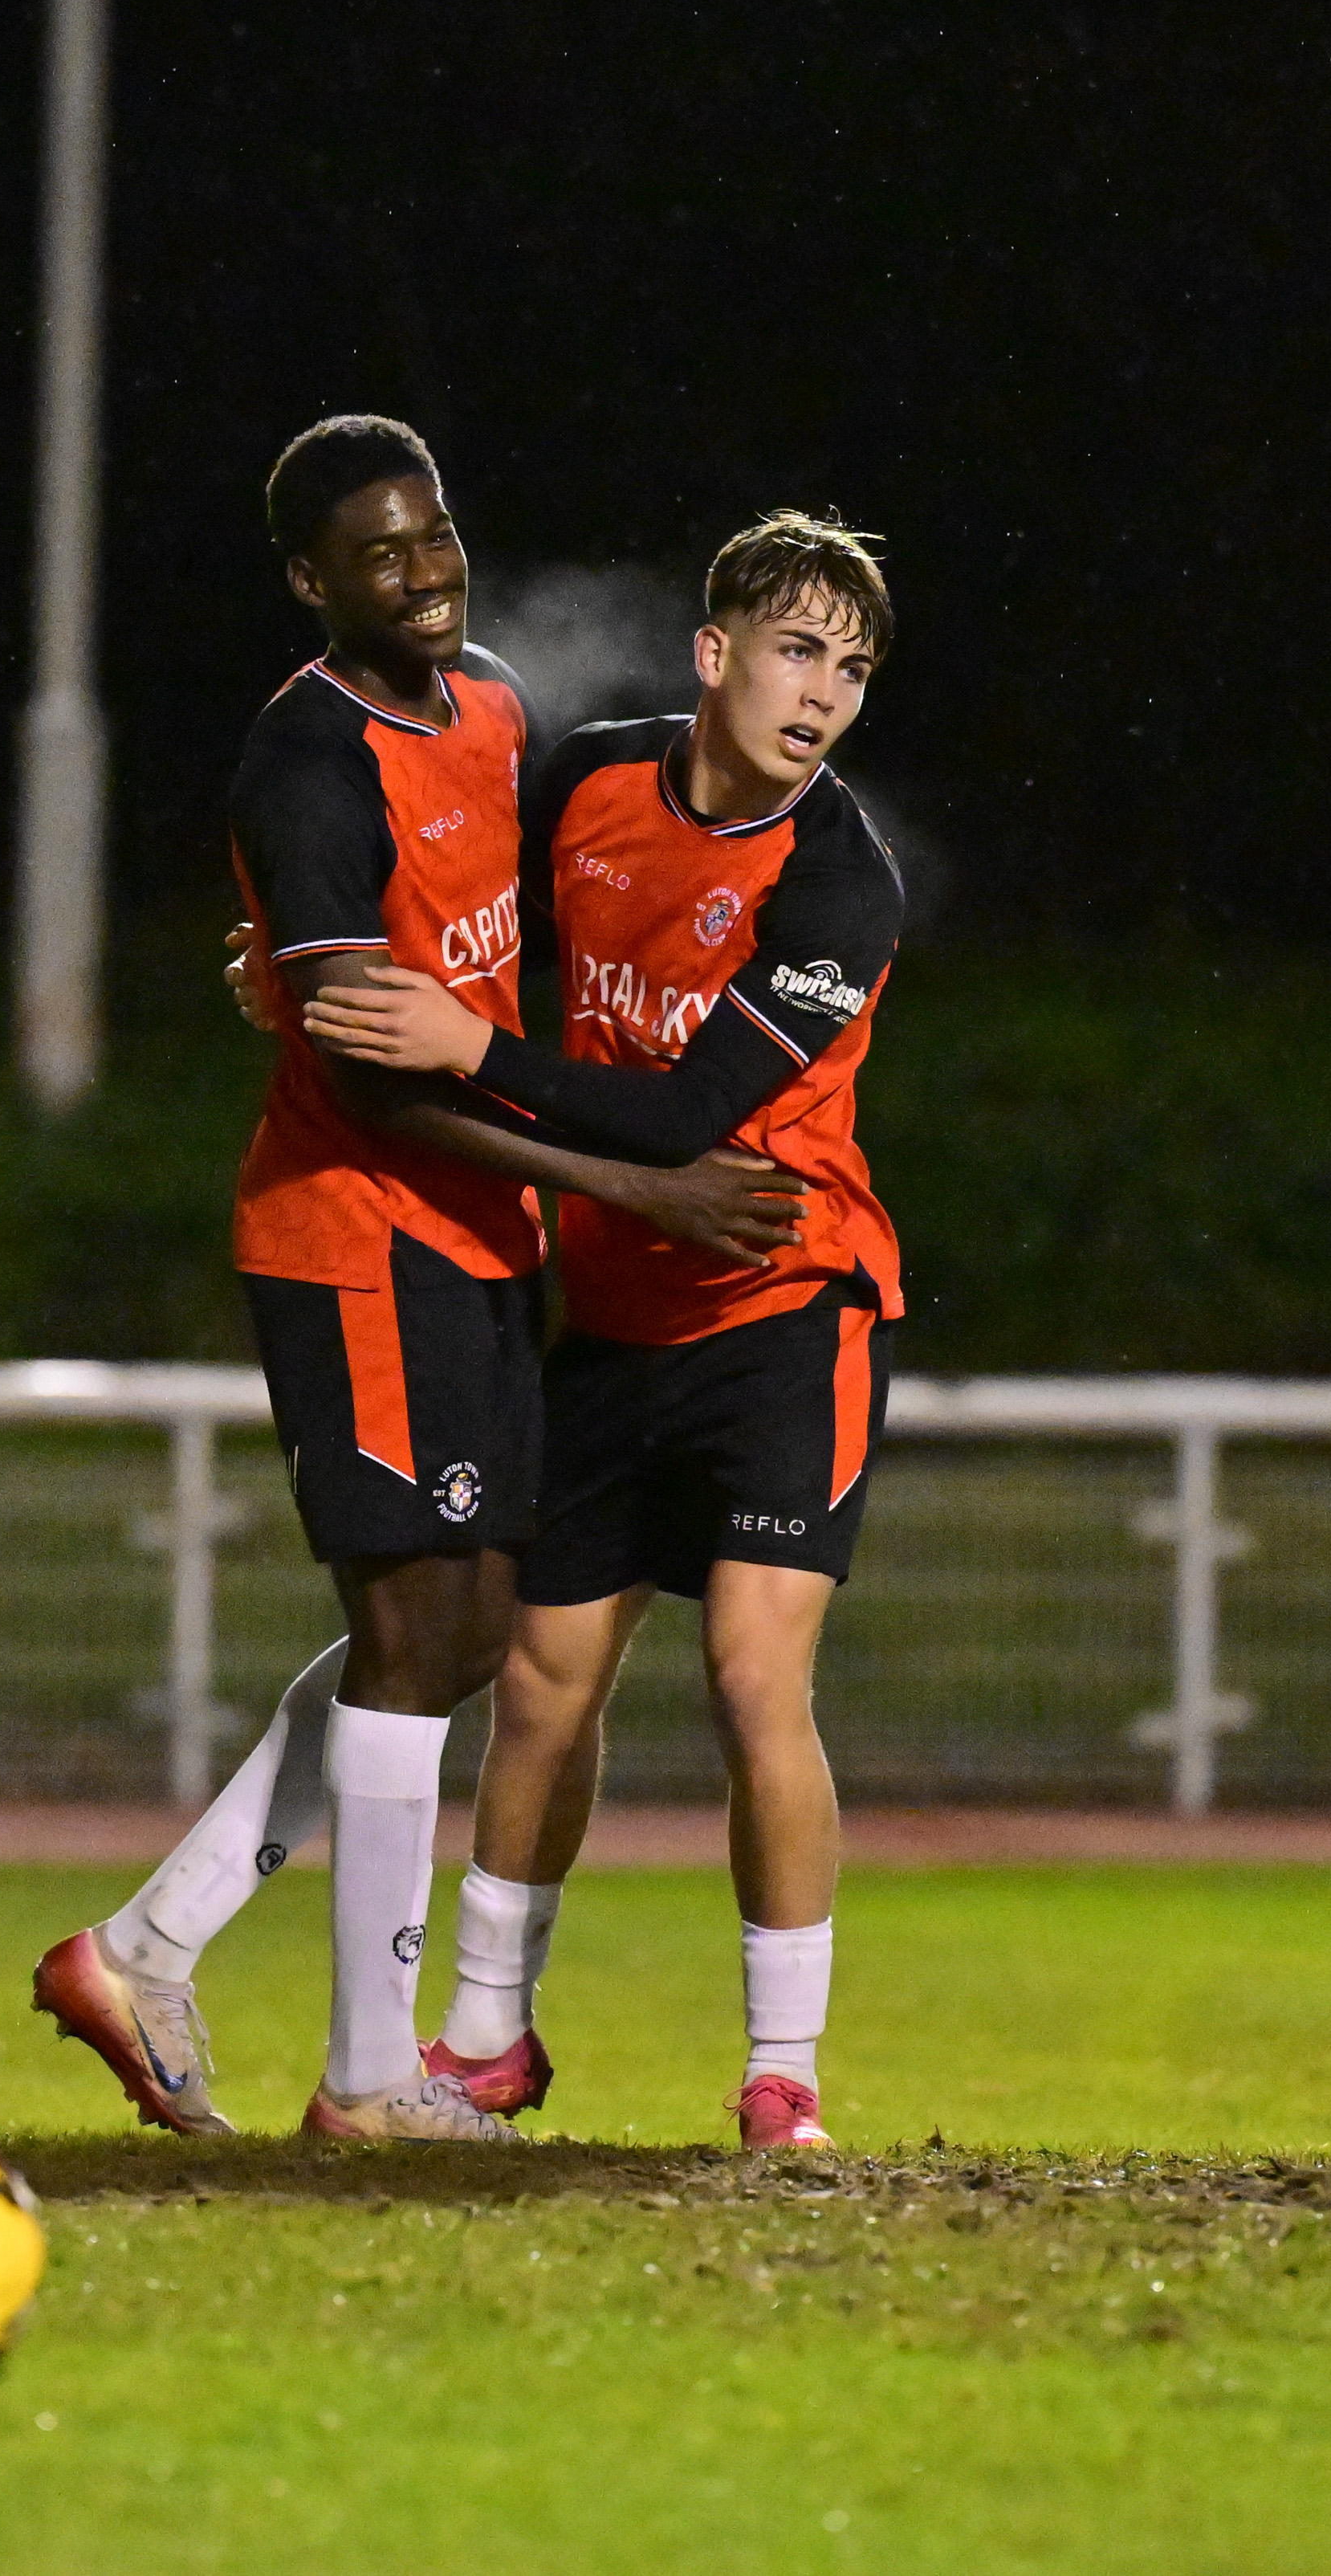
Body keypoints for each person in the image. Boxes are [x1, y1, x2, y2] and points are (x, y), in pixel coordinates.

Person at [31, 418, 804, 2143]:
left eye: (437, 531)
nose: (425, 570)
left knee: (464, 1628)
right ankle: (370, 2075)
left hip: (472, 1238)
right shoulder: (303, 759)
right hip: (356, 1231)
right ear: (312, 583)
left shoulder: (498, 708)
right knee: (412, 1630)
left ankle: (146, 1944)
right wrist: (637, 1177)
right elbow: (380, 1080)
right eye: (379, 552)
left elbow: (491, 923)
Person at [304, 511, 908, 2150]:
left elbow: (684, 1116)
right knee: (546, 1681)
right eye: (797, 650)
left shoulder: (843, 881)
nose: (823, 692)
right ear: (714, 654)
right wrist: (308, 968)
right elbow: (466, 930)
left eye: (852, 669)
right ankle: (489, 2041)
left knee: (749, 1676)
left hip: (790, 1306)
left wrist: (457, 1047)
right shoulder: (584, 784)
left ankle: (782, 2071)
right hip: (618, 1317)